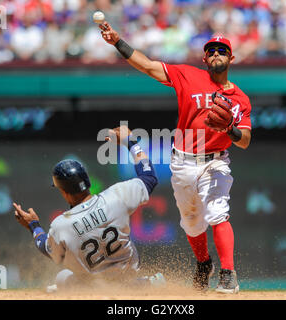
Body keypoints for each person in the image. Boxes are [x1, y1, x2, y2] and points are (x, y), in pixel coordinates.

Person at [100, 21, 252, 294]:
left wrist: (230, 129)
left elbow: (245, 141)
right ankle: (204, 264)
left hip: (215, 161)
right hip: (182, 162)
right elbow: (147, 65)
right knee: (192, 224)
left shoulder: (240, 98)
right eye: (212, 50)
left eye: (222, 50)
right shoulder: (187, 75)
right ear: (205, 57)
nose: (217, 53)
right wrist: (117, 42)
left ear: (231, 57)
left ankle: (228, 274)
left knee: (218, 213)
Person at [13, 125, 165, 290]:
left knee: (62, 278)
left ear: (64, 192)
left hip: (96, 284)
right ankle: (140, 284)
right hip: (129, 271)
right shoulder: (117, 196)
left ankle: (129, 286)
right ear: (87, 181)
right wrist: (131, 143)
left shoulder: (61, 225)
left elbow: (45, 248)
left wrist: (33, 225)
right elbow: (149, 177)